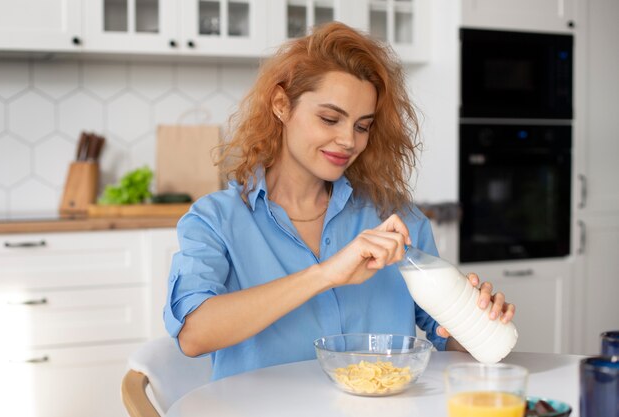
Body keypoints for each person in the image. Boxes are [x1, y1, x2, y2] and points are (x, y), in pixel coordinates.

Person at [164, 22, 516, 381]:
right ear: (281, 105)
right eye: (330, 119)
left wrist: (476, 327)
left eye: (362, 126)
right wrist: (326, 274)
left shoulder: (396, 220)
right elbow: (194, 335)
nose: (348, 140)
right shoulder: (215, 220)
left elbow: (444, 338)